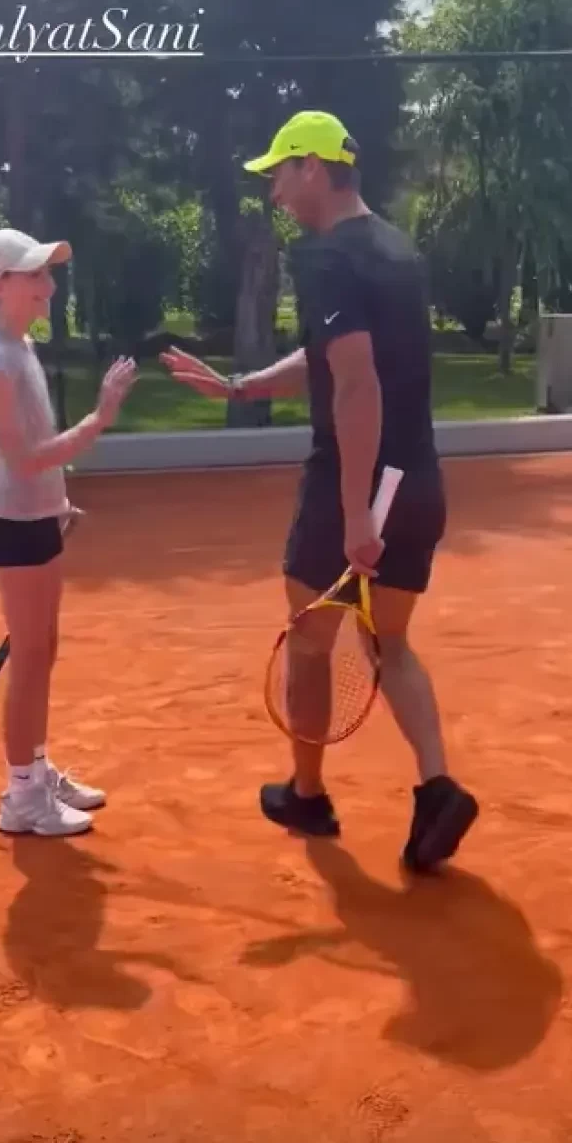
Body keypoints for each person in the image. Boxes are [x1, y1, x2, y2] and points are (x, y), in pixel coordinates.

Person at [163, 111, 478, 872]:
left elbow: (357, 384)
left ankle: (307, 795)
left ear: (312, 167)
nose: (274, 191)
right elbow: (329, 358)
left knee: (308, 641)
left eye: (279, 173)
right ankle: (437, 785)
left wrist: (354, 515)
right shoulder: (397, 249)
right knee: (388, 641)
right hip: (419, 481)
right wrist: (240, 387)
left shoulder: (327, 257)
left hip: (358, 483)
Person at [0, 227, 137, 837]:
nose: (48, 285)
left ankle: (36, 771)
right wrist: (100, 417)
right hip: (14, 526)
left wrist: (56, 505)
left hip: (34, 518)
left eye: (47, 273)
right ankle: (21, 799)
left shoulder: (19, 347)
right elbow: (25, 458)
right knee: (31, 661)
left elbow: (10, 457)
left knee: (41, 654)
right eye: (35, 275)